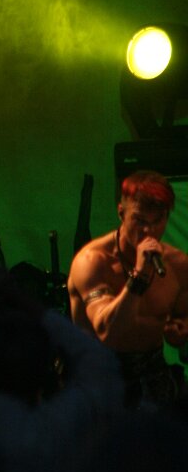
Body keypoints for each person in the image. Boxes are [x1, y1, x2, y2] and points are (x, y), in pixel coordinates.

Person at [68, 169, 188, 406]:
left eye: (158, 221)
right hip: (100, 377)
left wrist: (181, 329)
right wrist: (139, 277)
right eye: (140, 221)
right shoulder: (92, 262)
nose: (148, 231)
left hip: (154, 374)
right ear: (121, 213)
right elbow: (108, 333)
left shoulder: (177, 265)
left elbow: (182, 319)